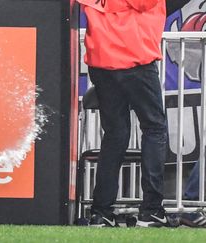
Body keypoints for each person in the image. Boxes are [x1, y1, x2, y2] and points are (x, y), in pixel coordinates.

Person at [77, 0, 169, 227]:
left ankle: (101, 212)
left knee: (115, 134)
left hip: (101, 63)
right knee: (154, 128)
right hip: (136, 59)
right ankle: (151, 211)